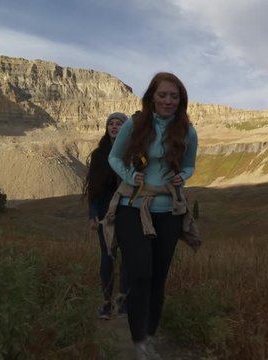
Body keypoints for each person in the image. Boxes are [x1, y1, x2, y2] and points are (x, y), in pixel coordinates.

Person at [108, 72, 198, 359]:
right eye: (163, 95)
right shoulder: (135, 125)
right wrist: (129, 176)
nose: (168, 101)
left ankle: (148, 337)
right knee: (142, 273)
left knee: (159, 277)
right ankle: (137, 341)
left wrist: (182, 177)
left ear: (180, 99)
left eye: (174, 96)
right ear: (152, 97)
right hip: (132, 208)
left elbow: (189, 165)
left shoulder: (187, 130)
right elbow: (115, 156)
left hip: (168, 211)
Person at [82, 112, 129, 320]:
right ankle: (106, 303)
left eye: (120, 124)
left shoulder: (132, 152)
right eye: (111, 123)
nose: (114, 127)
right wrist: (92, 215)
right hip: (103, 213)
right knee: (107, 256)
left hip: (128, 211)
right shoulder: (98, 154)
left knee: (128, 257)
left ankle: (124, 301)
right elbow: (93, 187)